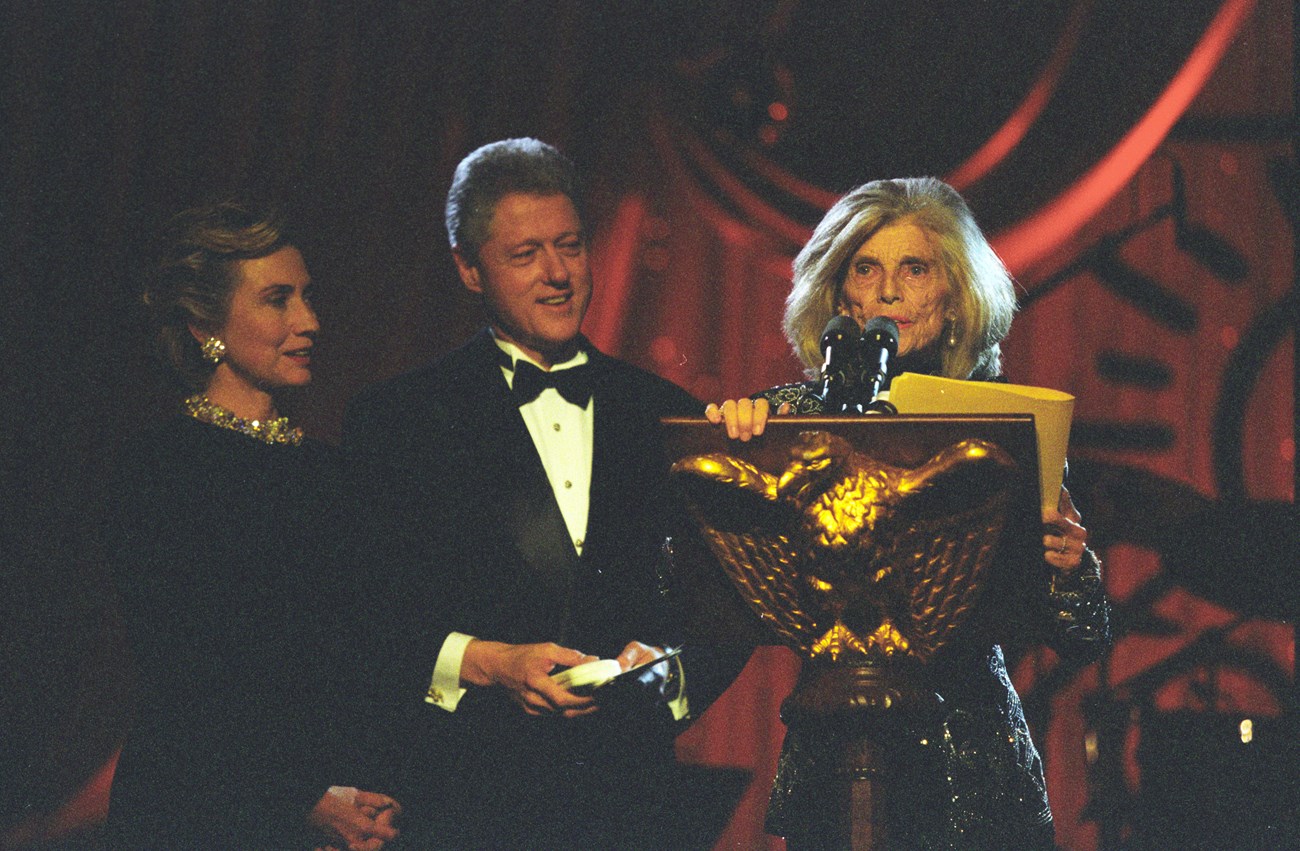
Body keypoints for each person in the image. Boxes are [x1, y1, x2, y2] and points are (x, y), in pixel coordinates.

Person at [342, 138, 743, 849]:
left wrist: (668, 674)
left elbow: (731, 593)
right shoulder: (398, 420)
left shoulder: (667, 413)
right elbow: (364, 614)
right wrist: (491, 661)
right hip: (465, 803)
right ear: (470, 269)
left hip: (632, 805)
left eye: (570, 246)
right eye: (525, 254)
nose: (558, 274)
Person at [706, 177, 1110, 848]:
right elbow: (696, 576)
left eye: (913, 269)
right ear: (841, 295)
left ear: (953, 297)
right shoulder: (789, 420)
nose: (888, 290)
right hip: (832, 757)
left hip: (973, 768)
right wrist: (734, 436)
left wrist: (1074, 568)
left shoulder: (1008, 425)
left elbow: (1084, 635)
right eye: (867, 268)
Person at [104, 201, 402, 850]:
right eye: (278, 300)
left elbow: (362, 650)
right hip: (203, 808)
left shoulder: (334, 471)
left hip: (339, 813)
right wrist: (300, 795)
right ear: (204, 324)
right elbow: (185, 669)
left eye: (308, 297)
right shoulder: (159, 468)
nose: (310, 321)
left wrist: (358, 797)